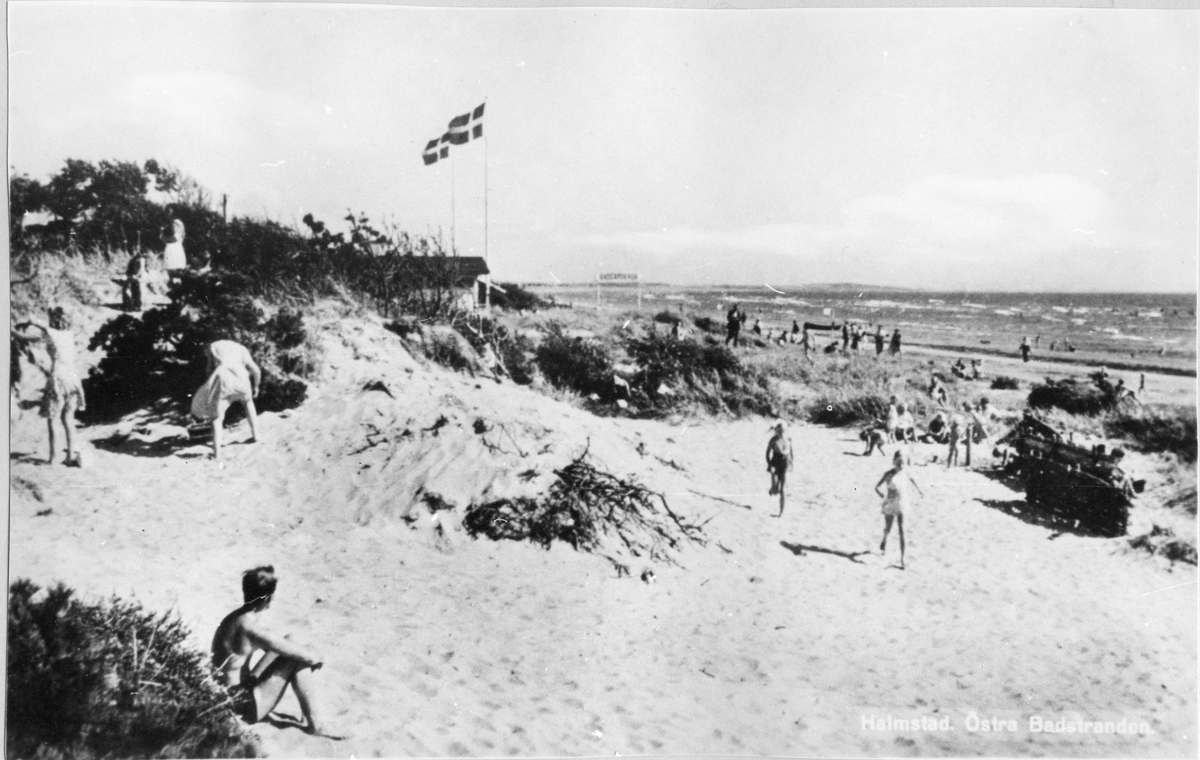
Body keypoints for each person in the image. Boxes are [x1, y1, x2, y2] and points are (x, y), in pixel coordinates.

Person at [212, 566, 346, 739]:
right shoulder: (251, 629)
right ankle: (316, 724)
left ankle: (314, 719)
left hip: (228, 694)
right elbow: (304, 655)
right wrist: (316, 658)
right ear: (269, 597)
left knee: (291, 640)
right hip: (242, 706)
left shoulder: (235, 618)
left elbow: (276, 643)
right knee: (297, 659)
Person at [14, 307, 86, 466]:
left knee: (53, 419)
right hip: (73, 379)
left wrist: (14, 329)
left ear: (54, 318)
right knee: (68, 419)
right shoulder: (69, 334)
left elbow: (30, 332)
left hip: (58, 379)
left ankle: (53, 458)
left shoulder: (50, 333)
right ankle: (69, 457)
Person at [191, 340, 262, 461]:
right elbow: (256, 370)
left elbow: (209, 369)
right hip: (242, 379)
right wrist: (256, 386)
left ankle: (217, 454)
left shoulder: (213, 346)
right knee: (248, 403)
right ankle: (256, 436)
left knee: (217, 418)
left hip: (223, 381)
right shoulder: (241, 348)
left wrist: (209, 387)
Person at [875, 450, 923, 570]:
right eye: (899, 462)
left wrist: (920, 490)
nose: (901, 465)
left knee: (903, 530)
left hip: (902, 503)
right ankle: (885, 539)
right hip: (890, 503)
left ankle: (903, 558)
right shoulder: (888, 474)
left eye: (903, 463)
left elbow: (913, 480)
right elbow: (877, 486)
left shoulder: (906, 473)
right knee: (888, 528)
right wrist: (881, 494)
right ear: (894, 462)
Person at [765, 421, 794, 517]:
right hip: (775, 464)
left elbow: (791, 453)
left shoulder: (789, 439)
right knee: (775, 491)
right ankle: (773, 488)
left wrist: (791, 464)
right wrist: (769, 465)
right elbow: (767, 454)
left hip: (784, 465)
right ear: (777, 431)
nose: (781, 432)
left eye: (783, 430)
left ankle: (781, 512)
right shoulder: (773, 440)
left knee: (782, 491)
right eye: (779, 430)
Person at [162, 218, 188, 284]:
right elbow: (163, 238)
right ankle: (172, 281)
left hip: (175, 250)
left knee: (176, 266)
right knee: (171, 267)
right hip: (171, 250)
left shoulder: (178, 235)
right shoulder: (168, 232)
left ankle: (176, 282)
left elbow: (174, 238)